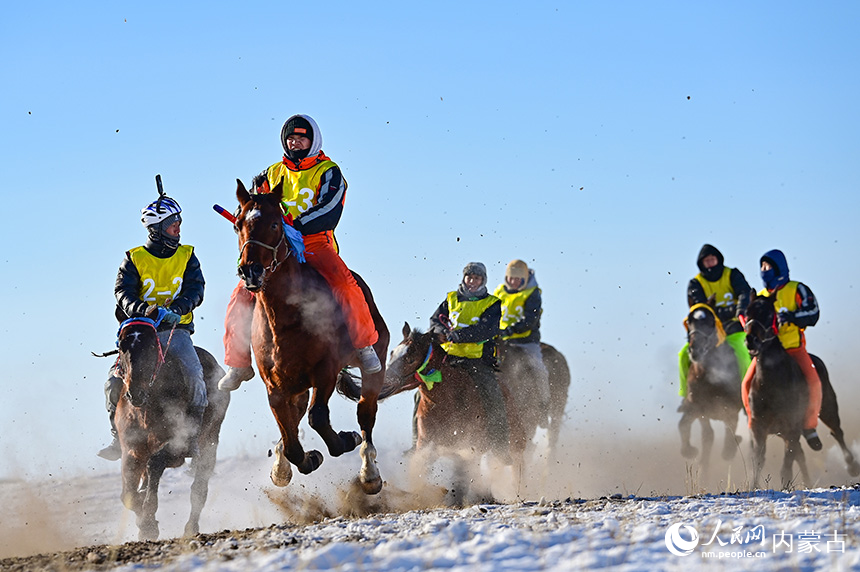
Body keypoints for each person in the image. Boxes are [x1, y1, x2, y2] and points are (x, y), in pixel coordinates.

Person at [218, 114, 381, 391]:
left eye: (301, 138)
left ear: (312, 140)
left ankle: (364, 346)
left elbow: (331, 207)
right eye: (290, 139)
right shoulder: (270, 174)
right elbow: (253, 207)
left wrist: (297, 224)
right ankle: (238, 364)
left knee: (344, 283)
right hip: (276, 244)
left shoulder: (329, 171)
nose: (295, 143)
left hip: (315, 242)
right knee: (241, 294)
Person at [98, 194, 207, 460]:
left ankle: (193, 434)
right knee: (113, 382)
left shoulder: (188, 256)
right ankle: (117, 437)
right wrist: (142, 311)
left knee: (194, 372)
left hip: (176, 330)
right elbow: (122, 292)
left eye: (179, 222)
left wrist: (178, 310)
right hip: (141, 330)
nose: (178, 228)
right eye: (173, 224)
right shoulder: (133, 259)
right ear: (157, 230)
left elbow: (196, 289)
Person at [427, 262, 511, 463]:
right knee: (422, 392)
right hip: (449, 359)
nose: (472, 281)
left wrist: (459, 335)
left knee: (493, 395)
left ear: (483, 281)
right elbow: (434, 321)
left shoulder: (491, 303)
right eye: (469, 277)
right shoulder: (451, 298)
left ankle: (500, 446)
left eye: (477, 278)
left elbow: (488, 330)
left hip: (477, 361)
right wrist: (440, 333)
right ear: (464, 278)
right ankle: (417, 442)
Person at [741, 249, 823, 450]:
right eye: (761, 267)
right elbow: (746, 318)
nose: (763, 270)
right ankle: (754, 425)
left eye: (767, 266)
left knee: (813, 381)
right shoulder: (759, 297)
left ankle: (809, 426)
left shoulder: (797, 289)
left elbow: (814, 312)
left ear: (779, 267)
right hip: (765, 354)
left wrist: (793, 317)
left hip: (793, 348)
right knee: (746, 384)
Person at [678, 244, 752, 399]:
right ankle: (687, 396)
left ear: (719, 259)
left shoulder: (732, 275)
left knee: (742, 352)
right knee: (683, 355)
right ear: (702, 264)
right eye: (707, 261)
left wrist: (740, 309)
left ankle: (747, 393)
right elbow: (700, 308)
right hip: (708, 332)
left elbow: (745, 293)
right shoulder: (695, 283)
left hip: (734, 329)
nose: (711, 263)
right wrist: (728, 310)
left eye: (713, 259)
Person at [492, 259, 550, 414]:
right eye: (511, 278)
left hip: (525, 342)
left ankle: (544, 406)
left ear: (524, 279)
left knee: (539, 370)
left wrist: (510, 331)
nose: (514, 282)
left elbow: (531, 319)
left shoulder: (533, 294)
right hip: (501, 341)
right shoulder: (499, 292)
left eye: (518, 279)